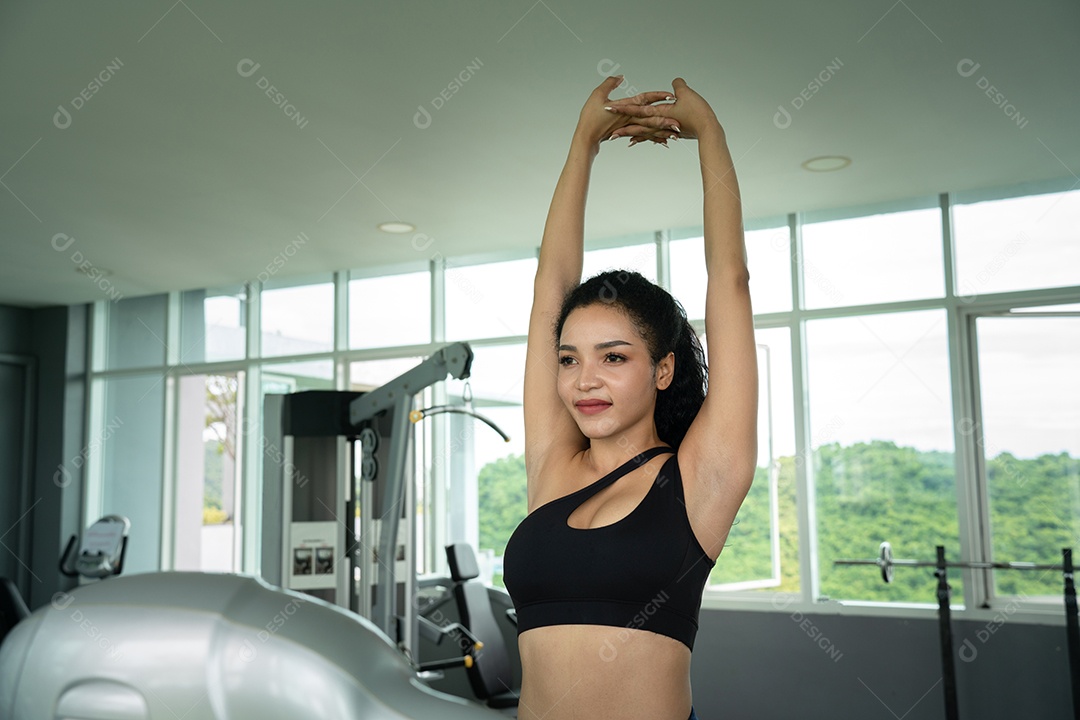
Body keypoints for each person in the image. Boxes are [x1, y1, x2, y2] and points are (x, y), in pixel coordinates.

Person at [501, 76, 758, 720]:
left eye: (614, 357)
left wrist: (710, 138)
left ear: (663, 370)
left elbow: (731, 283)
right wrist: (583, 143)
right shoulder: (553, 466)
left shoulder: (699, 479)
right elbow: (547, 295)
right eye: (570, 359)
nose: (584, 379)